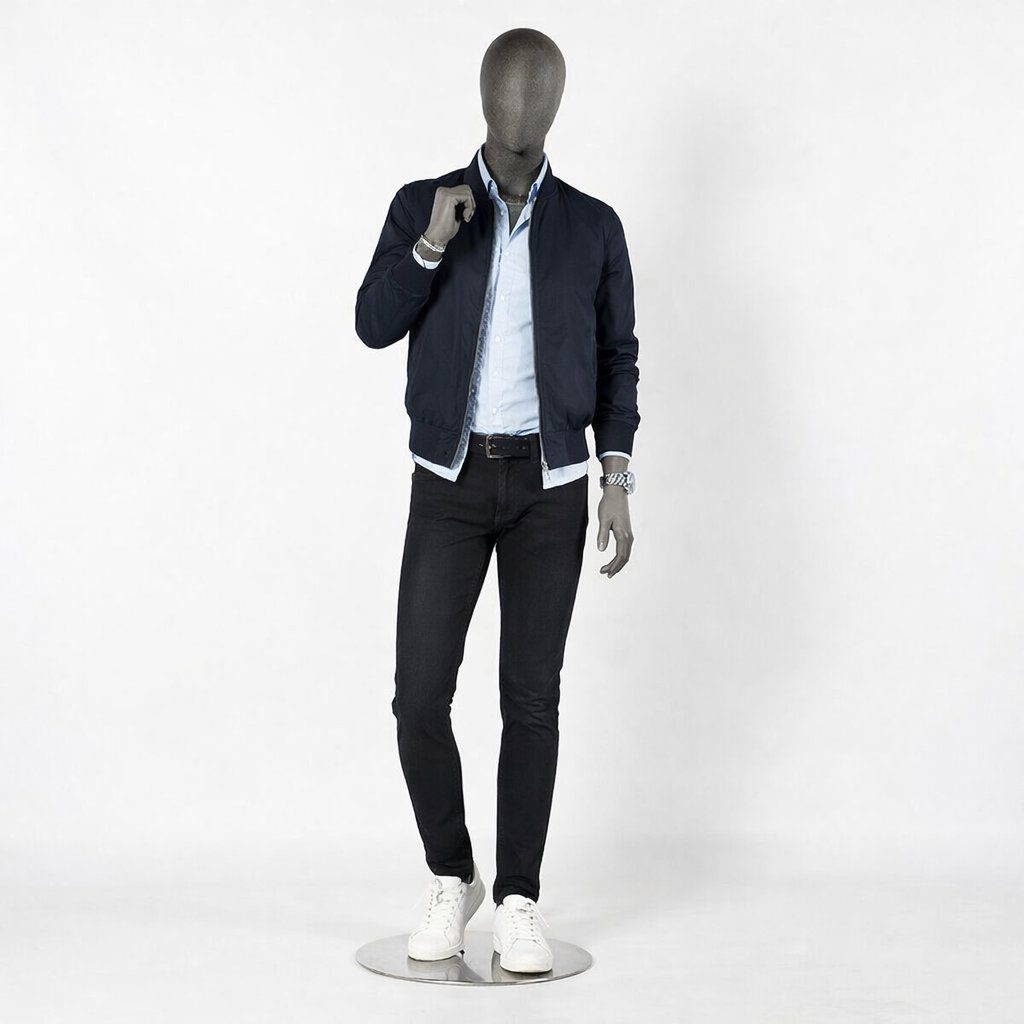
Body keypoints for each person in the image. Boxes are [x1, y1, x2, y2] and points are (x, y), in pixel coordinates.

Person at [355, 27, 641, 974]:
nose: (519, 115)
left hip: (550, 490)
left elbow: (617, 359)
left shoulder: (593, 227)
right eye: (506, 98)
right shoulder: (424, 205)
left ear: (553, 107)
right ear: (485, 101)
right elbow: (372, 323)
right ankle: (454, 875)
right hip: (449, 482)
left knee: (531, 699)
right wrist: (433, 244)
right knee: (417, 698)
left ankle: (519, 897)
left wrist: (615, 477)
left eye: (535, 98)